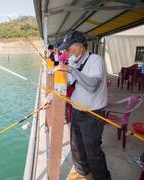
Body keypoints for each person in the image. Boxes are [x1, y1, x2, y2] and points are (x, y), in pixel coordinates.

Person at [43, 31, 111, 180]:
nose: (66, 53)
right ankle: (83, 173)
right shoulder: (74, 62)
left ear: (79, 47)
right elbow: (64, 85)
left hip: (92, 114)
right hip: (77, 111)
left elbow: (92, 85)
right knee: (77, 146)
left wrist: (70, 69)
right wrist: (50, 97)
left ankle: (102, 178)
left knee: (92, 150)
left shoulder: (96, 60)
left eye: (68, 49)